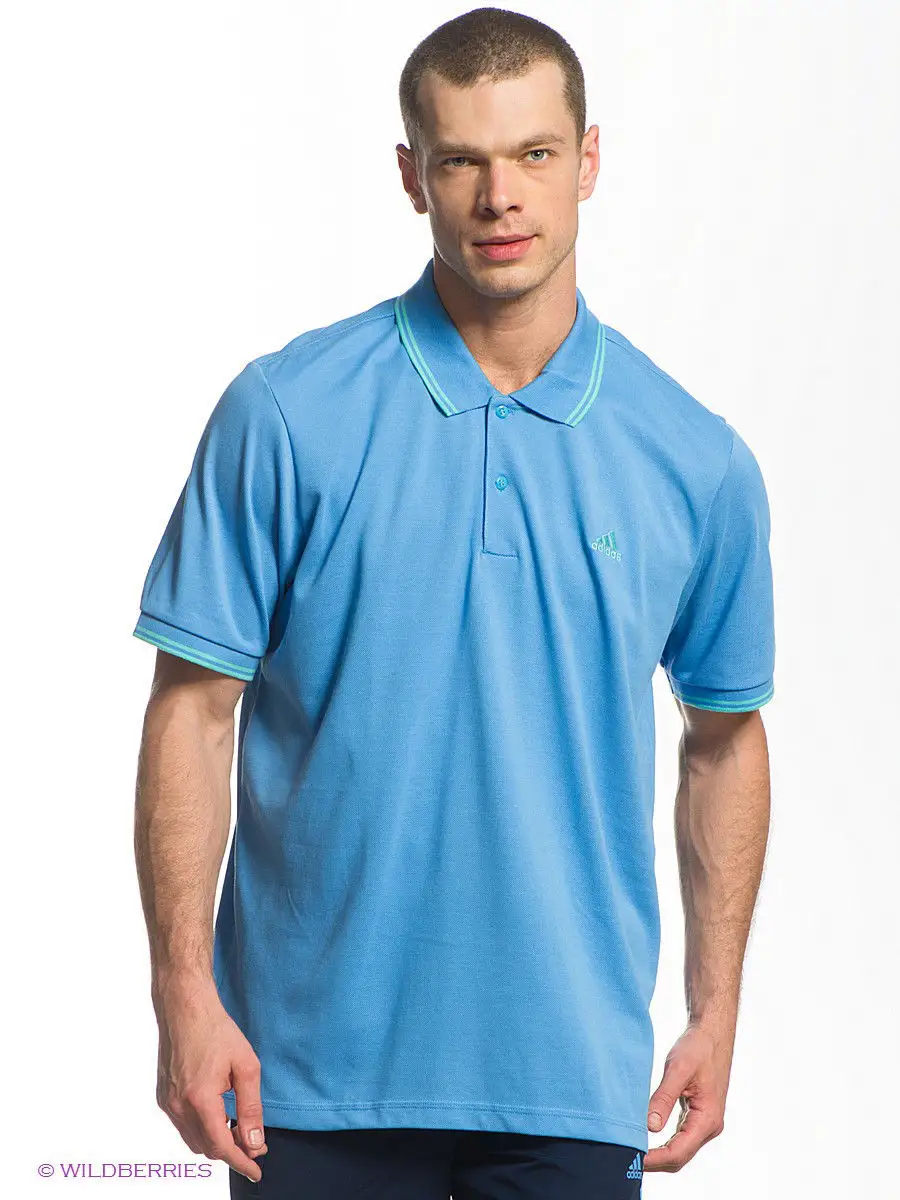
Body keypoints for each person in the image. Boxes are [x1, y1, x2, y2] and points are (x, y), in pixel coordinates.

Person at [132, 7, 775, 1199]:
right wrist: (182, 993)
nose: (500, 196)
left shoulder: (696, 458)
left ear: (588, 161)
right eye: (461, 160)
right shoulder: (287, 414)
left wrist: (717, 1009)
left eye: (534, 153)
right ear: (410, 175)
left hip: (574, 1083)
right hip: (303, 1079)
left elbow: (726, 739)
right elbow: (193, 712)